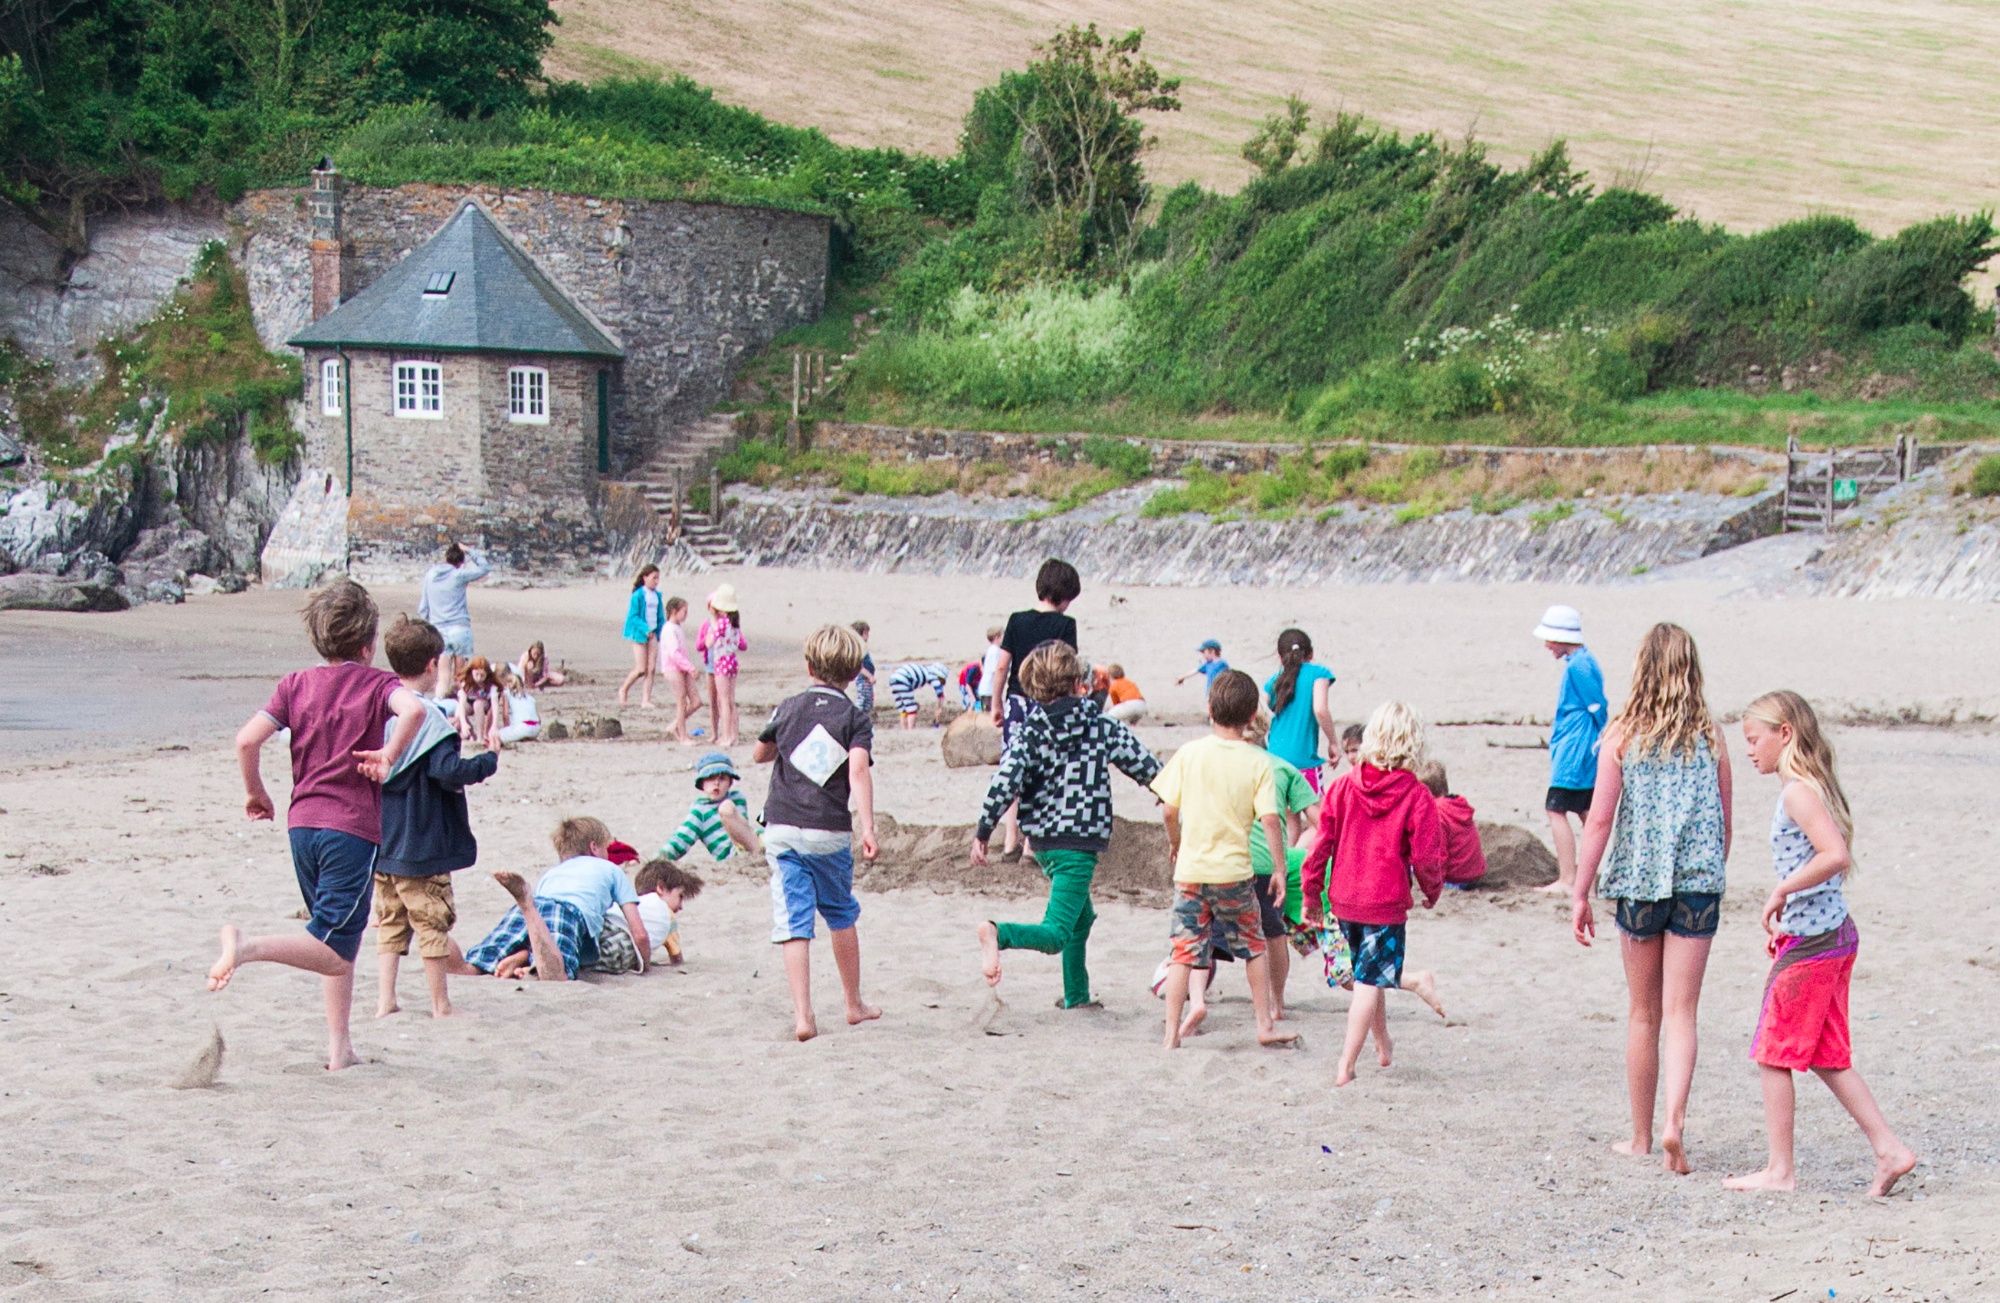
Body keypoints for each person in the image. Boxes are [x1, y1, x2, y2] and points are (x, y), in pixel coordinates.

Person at [208, 579, 428, 1072]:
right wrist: (389, 754)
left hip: (301, 826)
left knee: (334, 935)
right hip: (350, 829)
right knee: (331, 947)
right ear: (369, 645)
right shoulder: (376, 684)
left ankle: (339, 1048)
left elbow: (247, 741)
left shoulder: (294, 684)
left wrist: (256, 792)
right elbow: (414, 709)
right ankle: (247, 947)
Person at [1725, 691, 1916, 1197]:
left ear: (1784, 733)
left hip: (1816, 943)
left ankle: (1779, 1170)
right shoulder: (1809, 785)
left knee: (1773, 1052)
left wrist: (1782, 890)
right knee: (1829, 1055)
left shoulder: (1797, 792)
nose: (1748, 751)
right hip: (1829, 934)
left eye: (1753, 739)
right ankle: (1889, 1150)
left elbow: (1836, 855)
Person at [1571, 622, 1731, 1176]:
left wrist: (1580, 890)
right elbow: (1724, 819)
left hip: (1638, 882)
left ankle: (1641, 1136)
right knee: (1683, 1012)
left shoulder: (1621, 734)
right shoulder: (1711, 734)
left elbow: (1598, 821)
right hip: (1699, 881)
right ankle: (1674, 1125)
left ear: (1641, 668)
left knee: (1643, 1013)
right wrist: (1711, 870)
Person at [972, 642, 1161, 1010]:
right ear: (1080, 683)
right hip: (1079, 842)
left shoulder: (1028, 732)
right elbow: (1142, 763)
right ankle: (998, 933)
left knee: (1081, 917)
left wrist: (983, 830)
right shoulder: (1100, 724)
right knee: (1057, 932)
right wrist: (1165, 789)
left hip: (1042, 842)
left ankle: (1077, 996)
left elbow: (1004, 782)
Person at [1301, 700, 1447, 1087]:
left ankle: (1383, 1044)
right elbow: (1427, 856)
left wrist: (1312, 892)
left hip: (1345, 897)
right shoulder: (1416, 796)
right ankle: (1346, 1063)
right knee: (1367, 982)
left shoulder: (1342, 787)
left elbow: (1321, 844)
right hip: (1383, 903)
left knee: (1370, 973)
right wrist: (1432, 889)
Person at [1151, 669, 1297, 1050]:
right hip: (1234, 872)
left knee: (1183, 952)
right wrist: (1279, 869)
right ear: (1252, 717)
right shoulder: (1257, 762)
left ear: (1209, 710)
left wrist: (1176, 842)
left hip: (1192, 872)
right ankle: (1264, 1024)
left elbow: (1168, 810)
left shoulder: (1189, 753)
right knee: (1253, 945)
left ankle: (1170, 1034)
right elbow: (1269, 819)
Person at [753, 624, 881, 1041]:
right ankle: (853, 1003)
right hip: (828, 830)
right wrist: (868, 825)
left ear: (808, 665)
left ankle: (804, 1015)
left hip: (783, 826)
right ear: (855, 671)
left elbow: (761, 752)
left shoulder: (788, 707)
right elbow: (858, 771)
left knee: (794, 921)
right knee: (840, 913)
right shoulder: (854, 717)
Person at [373, 617, 500, 1019]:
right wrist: (488, 761)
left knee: (390, 921)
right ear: (433, 665)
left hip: (383, 838)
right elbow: (448, 772)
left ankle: (385, 1000)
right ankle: (440, 1005)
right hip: (421, 840)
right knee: (432, 921)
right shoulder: (430, 720)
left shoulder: (381, 711)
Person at [459, 817, 647, 982]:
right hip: (568, 911)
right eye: (606, 848)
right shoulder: (611, 869)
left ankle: (518, 956)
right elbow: (639, 933)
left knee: (473, 965)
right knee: (557, 974)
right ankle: (526, 909)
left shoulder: (552, 873)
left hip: (538, 903)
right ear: (594, 847)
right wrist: (645, 963)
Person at [988, 559, 1083, 860]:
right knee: (1043, 771)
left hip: (1017, 702)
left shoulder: (1016, 620)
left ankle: (1008, 841)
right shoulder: (1066, 625)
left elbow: (1002, 666)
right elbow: (1067, 669)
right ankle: (1031, 844)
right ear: (1067, 596)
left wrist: (996, 701)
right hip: (1049, 705)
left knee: (1013, 768)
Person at [1535, 604, 1609, 896]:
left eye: (1550, 638)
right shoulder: (1582, 661)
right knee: (1586, 810)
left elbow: (1597, 707)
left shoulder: (1579, 665)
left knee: (1556, 808)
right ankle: (1587, 878)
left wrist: (1598, 739)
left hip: (1575, 749)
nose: (1547, 645)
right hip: (1581, 746)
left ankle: (1569, 877)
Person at [1264, 629, 1339, 795]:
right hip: (1303, 760)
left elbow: (1259, 711)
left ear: (1280, 656)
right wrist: (1333, 742)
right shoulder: (1318, 673)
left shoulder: (1274, 681)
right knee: (1320, 816)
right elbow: (1320, 709)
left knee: (1289, 817)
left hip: (1274, 760)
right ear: (1311, 654)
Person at [658, 751, 764, 864]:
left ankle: (761, 850)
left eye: (722, 778)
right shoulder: (700, 811)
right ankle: (759, 853)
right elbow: (680, 840)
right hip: (733, 855)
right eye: (710, 778)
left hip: (752, 840)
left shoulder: (738, 798)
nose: (716, 783)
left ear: (730, 782)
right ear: (702, 784)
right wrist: (658, 860)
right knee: (726, 808)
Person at [417, 542, 489, 693]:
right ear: (460, 562)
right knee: (461, 676)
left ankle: (442, 706)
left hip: (439, 630)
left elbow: (423, 608)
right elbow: (484, 567)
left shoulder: (431, 576)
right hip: (460, 628)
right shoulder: (458, 575)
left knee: (443, 676)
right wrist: (469, 550)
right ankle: (459, 709)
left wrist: (429, 626)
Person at [1418, 759, 1487, 889]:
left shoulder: (1435, 815)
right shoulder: (1457, 805)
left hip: (1456, 880)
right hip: (1475, 874)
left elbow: (1439, 855)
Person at [698, 585, 747, 748]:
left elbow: (709, 642)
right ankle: (734, 735)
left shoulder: (722, 623)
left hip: (722, 662)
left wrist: (709, 636)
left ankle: (726, 735)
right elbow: (740, 642)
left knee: (723, 701)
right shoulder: (735, 622)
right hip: (732, 660)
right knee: (731, 700)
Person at [634, 858, 705, 967]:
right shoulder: (666, 915)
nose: (681, 907)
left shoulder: (630, 905)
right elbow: (677, 959)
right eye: (680, 897)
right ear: (660, 888)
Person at [657, 596, 704, 744]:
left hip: (682, 667)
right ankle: (683, 736)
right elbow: (674, 653)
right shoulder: (669, 629)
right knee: (681, 701)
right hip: (673, 668)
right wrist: (690, 667)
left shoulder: (676, 628)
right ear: (674, 611)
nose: (686, 614)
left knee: (696, 701)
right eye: (684, 611)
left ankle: (675, 725)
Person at [619, 564, 665, 709]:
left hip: (653, 635)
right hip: (639, 634)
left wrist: (662, 632)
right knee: (641, 669)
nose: (656, 581)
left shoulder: (657, 596)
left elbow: (660, 617)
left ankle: (646, 700)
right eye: (654, 578)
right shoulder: (638, 595)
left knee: (651, 669)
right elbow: (633, 617)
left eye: (658, 578)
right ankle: (624, 689)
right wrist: (645, 629)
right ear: (645, 577)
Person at [455, 656, 504, 748]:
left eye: (482, 675)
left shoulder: (491, 685)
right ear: (471, 672)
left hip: (484, 704)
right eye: (476, 674)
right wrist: (464, 723)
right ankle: (471, 733)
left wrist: (494, 725)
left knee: (478, 704)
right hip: (469, 702)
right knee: (459, 712)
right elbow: (461, 704)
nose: (479, 678)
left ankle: (480, 737)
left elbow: (495, 706)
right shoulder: (466, 683)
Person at [887, 661, 949, 729]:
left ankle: (904, 729)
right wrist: (939, 708)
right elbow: (940, 693)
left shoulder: (925, 669)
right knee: (911, 708)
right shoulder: (932, 674)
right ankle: (911, 729)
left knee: (903, 708)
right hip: (904, 680)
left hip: (893, 679)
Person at [851, 620, 877, 715]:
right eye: (866, 633)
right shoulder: (859, 648)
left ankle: (864, 717)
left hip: (866, 679)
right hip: (863, 679)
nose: (868, 636)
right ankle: (857, 716)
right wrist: (870, 676)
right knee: (863, 700)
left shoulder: (861, 647)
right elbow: (859, 667)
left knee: (868, 700)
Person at [977, 626, 1004, 712]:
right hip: (988, 690)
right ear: (997, 637)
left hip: (990, 690)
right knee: (989, 715)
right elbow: (995, 670)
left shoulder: (995, 650)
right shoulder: (994, 650)